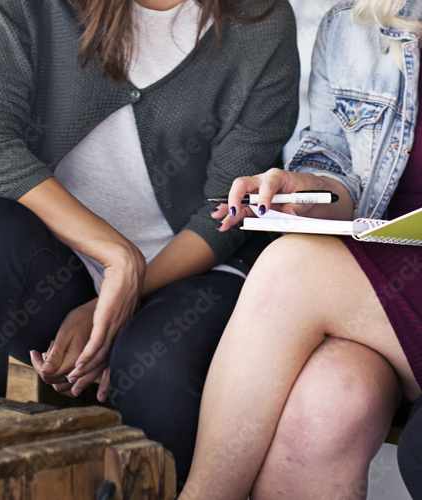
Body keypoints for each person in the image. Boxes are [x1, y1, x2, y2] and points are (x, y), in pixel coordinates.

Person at [0, 0, 299, 482]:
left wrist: (125, 292)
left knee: (157, 362)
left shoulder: (259, 18)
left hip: (193, 275)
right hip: (57, 273)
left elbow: (229, 209)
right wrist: (117, 256)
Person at [181, 0, 422, 497]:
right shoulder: (354, 22)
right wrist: (301, 190)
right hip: (388, 270)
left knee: (291, 268)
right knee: (331, 399)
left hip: (385, 282)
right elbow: (345, 176)